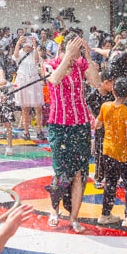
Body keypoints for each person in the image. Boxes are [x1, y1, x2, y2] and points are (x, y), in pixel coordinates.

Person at [44, 33, 101, 233]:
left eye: (78, 48)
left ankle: (74, 217)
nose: (76, 52)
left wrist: (89, 57)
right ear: (66, 46)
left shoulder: (81, 64)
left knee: (79, 173)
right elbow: (54, 79)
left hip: (81, 125)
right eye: (73, 47)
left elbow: (97, 84)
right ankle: (54, 210)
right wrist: (67, 56)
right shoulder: (51, 63)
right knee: (61, 173)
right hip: (59, 126)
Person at [92, 77, 127, 228]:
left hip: (107, 150)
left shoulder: (105, 106)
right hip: (123, 154)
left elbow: (97, 125)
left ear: (114, 91)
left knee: (110, 182)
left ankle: (105, 214)